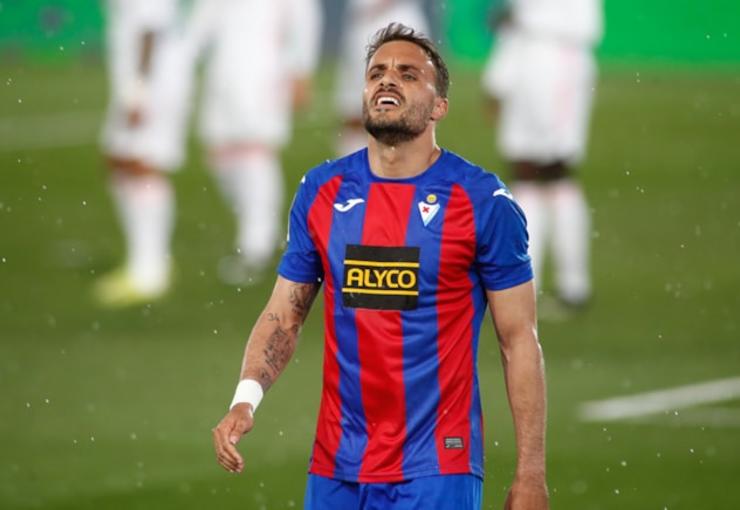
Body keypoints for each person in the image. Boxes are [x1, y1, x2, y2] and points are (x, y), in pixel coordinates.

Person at [213, 23, 548, 510]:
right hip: (336, 464)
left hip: (437, 466)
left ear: (439, 107)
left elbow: (518, 340)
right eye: (376, 73)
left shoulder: (481, 201)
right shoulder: (322, 191)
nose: (387, 80)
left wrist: (530, 474)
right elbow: (284, 314)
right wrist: (245, 399)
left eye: (408, 74)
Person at [188, 0, 322, 285]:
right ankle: (266, 233)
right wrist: (185, 54)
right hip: (222, 68)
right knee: (220, 153)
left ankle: (255, 246)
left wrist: (302, 69)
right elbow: (205, 17)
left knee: (254, 151)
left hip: (264, 68)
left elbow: (305, 19)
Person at [482, 0, 603, 308]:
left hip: (557, 61)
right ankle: (528, 285)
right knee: (527, 172)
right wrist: (499, 76)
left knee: (552, 171)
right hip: (528, 59)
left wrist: (522, 24)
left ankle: (570, 286)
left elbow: (586, 25)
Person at [94, 0, 191, 307]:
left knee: (142, 164)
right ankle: (145, 260)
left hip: (154, 83)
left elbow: (151, 30)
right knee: (120, 161)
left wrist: (140, 90)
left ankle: (150, 272)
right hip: (140, 80)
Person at [334, 0, 429, 156]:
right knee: (355, 112)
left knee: (407, 113)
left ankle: (400, 164)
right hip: (363, 21)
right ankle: (355, 165)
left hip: (396, 20)